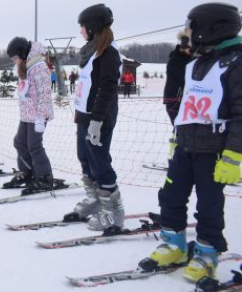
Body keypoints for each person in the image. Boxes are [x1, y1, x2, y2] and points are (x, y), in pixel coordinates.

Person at [138, 3, 242, 282]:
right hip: (185, 147)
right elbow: (187, 105)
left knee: (208, 205)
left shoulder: (236, 64)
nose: (188, 31)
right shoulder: (194, 63)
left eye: (192, 26)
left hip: (214, 152)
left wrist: (234, 154)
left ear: (211, 28)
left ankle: (207, 252)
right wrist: (176, 139)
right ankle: (174, 244)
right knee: (170, 197)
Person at [62, 4, 124, 231]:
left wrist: (97, 120)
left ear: (93, 27)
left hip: (99, 118)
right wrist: (80, 114)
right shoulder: (92, 51)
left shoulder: (109, 52)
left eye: (83, 27)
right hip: (85, 116)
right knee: (85, 158)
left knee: (99, 162)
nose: (81, 31)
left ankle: (114, 210)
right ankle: (96, 200)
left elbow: (107, 88)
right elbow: (87, 86)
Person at [3, 37, 55, 195]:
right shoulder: (26, 65)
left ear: (23, 54)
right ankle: (28, 172)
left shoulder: (38, 66)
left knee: (34, 145)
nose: (14, 61)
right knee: (19, 142)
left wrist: (40, 117)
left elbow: (44, 94)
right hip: (27, 114)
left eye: (15, 58)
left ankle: (45, 177)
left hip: (38, 115)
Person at [163, 32, 193, 125]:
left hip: (180, 99)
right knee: (180, 127)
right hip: (176, 99)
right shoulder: (177, 60)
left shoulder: (184, 59)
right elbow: (186, 78)